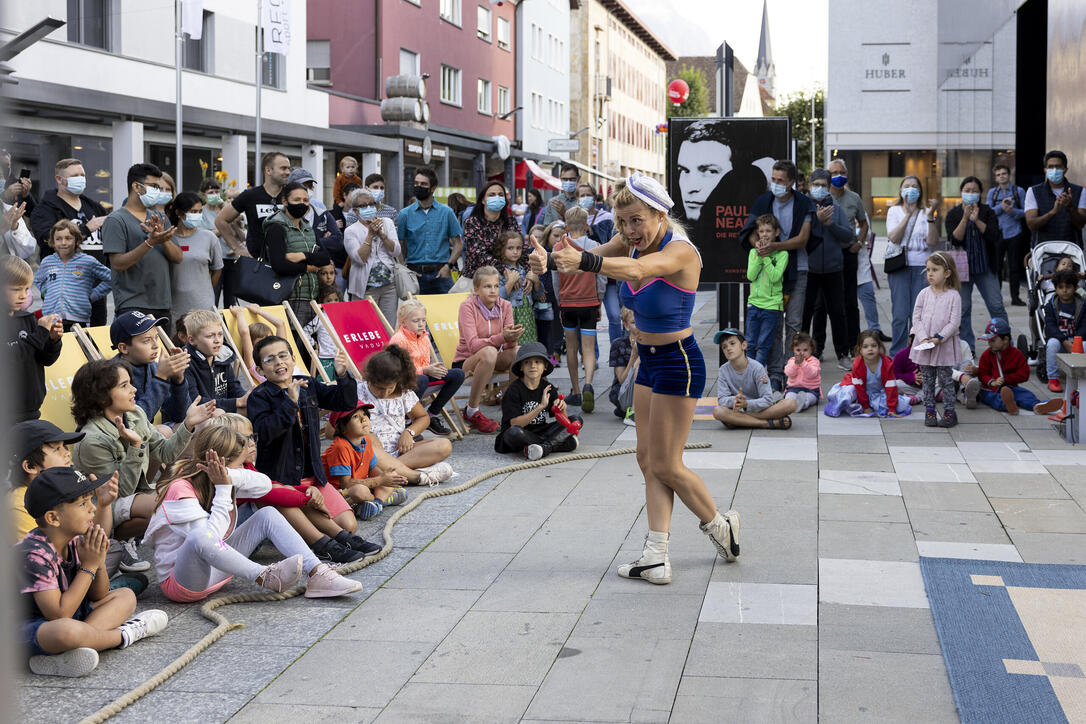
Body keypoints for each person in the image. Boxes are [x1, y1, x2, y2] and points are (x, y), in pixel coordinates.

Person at [530, 172, 742, 586]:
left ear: (660, 213)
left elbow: (635, 269)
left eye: (636, 220)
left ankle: (720, 525)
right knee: (647, 461)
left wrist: (584, 261)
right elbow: (584, 250)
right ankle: (657, 555)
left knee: (667, 463)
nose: (628, 230)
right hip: (650, 360)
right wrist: (551, 256)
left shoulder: (680, 251)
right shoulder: (629, 240)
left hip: (680, 362)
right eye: (622, 221)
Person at [145, 428, 363, 602]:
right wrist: (222, 488)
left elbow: (264, 484)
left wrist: (229, 475)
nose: (243, 470)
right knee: (199, 536)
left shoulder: (225, 478)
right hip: (183, 583)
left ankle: (318, 574)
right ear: (222, 462)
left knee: (267, 513)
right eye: (239, 465)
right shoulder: (180, 489)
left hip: (219, 570)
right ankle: (264, 575)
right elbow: (210, 538)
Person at [17, 467, 167, 678]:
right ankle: (125, 634)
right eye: (82, 503)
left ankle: (72, 650)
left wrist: (98, 562)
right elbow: (59, 614)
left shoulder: (74, 539)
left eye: (90, 500)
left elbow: (100, 595)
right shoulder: (34, 554)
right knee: (66, 632)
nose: (92, 509)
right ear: (53, 518)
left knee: (125, 595)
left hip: (66, 618)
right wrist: (89, 566)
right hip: (24, 629)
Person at [70, 357, 216, 545]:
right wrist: (135, 446)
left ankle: (206, 543)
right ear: (101, 396)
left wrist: (188, 423)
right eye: (124, 386)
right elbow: (119, 493)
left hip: (136, 493)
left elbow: (166, 453)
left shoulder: (134, 413)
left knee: (187, 495)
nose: (134, 390)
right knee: (167, 506)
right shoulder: (92, 440)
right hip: (102, 510)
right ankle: (115, 543)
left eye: (130, 383)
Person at [246, 337, 367, 538]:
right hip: (283, 480)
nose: (279, 363)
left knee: (348, 526)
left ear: (293, 358)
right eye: (270, 359)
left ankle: (304, 520)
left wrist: (343, 375)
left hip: (314, 477)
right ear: (259, 370)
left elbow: (345, 402)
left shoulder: (308, 384)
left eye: (283, 355)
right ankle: (296, 522)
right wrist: (290, 403)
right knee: (322, 530)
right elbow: (265, 433)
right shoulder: (258, 397)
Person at [738, 160, 813, 388]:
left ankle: (792, 371)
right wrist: (760, 247)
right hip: (766, 272)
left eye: (781, 180)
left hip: (796, 269)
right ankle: (775, 373)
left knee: (793, 323)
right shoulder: (764, 200)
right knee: (772, 326)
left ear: (792, 182)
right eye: (774, 179)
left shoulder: (803, 203)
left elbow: (803, 239)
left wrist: (773, 247)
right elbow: (750, 232)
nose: (776, 184)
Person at [102, 163, 181, 331]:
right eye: (153, 186)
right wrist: (149, 243)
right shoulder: (116, 220)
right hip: (133, 304)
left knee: (162, 356)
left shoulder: (159, 217)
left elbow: (178, 257)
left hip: (162, 304)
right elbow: (117, 263)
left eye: (159, 187)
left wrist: (163, 239)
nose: (157, 192)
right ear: (136, 186)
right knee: (138, 356)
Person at [30, 159, 110, 323]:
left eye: (83, 175)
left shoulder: (94, 207)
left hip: (95, 296)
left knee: (94, 341)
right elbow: (48, 239)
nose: (81, 179)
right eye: (75, 175)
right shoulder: (44, 210)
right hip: (64, 301)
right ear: (59, 179)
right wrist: (86, 229)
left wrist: (96, 293)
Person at [356, 346, 455, 473]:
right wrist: (365, 436)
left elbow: (423, 418)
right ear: (368, 379)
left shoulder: (403, 393)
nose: (384, 393)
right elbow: (334, 431)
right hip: (371, 452)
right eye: (379, 388)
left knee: (444, 445)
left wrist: (409, 432)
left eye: (390, 388)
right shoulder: (358, 392)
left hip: (402, 452)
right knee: (366, 446)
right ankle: (406, 473)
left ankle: (389, 472)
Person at [453, 265, 522, 432]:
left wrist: (512, 337)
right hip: (467, 361)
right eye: (487, 286)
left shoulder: (504, 306)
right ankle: (471, 410)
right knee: (490, 351)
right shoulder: (467, 307)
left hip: (494, 358)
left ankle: (510, 409)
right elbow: (473, 345)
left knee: (519, 351)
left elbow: (508, 346)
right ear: (476, 289)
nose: (493, 290)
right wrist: (502, 337)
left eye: (496, 286)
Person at [810, 158, 869, 345]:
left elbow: (864, 222)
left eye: (842, 173)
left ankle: (853, 344)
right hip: (824, 257)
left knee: (850, 302)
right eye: (834, 173)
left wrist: (859, 242)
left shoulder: (854, 198)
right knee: (821, 305)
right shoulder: (822, 198)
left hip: (848, 253)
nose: (839, 176)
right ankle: (817, 345)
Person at [387, 298, 465, 437]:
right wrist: (425, 370)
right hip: (403, 382)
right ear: (403, 322)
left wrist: (433, 368)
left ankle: (430, 415)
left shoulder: (424, 337)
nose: (421, 324)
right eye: (416, 321)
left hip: (422, 377)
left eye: (423, 320)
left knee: (458, 374)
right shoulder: (398, 340)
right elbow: (395, 370)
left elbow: (423, 363)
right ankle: (408, 420)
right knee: (422, 379)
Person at [945, 176, 1005, 354]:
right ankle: (967, 348)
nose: (971, 194)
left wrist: (977, 220)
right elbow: (955, 239)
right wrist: (965, 218)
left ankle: (1003, 343)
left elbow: (994, 236)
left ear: (981, 193)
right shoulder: (953, 214)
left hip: (985, 267)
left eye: (974, 191)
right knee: (963, 309)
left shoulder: (988, 211)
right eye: (967, 190)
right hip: (961, 269)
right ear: (962, 192)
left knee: (996, 306)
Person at [321, 403, 409, 521]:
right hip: (340, 492)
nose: (363, 419)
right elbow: (345, 484)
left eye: (364, 414)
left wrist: (387, 479)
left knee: (388, 477)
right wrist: (380, 481)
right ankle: (380, 501)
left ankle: (376, 503)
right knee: (360, 491)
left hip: (362, 484)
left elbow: (372, 469)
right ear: (343, 427)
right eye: (355, 417)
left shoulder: (365, 441)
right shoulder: (340, 447)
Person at [494, 342, 581, 459]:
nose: (533, 366)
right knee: (514, 433)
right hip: (520, 433)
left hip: (542, 431)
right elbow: (515, 424)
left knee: (576, 420)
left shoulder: (548, 388)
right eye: (527, 362)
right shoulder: (514, 390)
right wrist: (540, 407)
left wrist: (562, 409)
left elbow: (563, 423)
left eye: (537, 362)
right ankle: (557, 443)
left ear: (545, 366)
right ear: (521, 367)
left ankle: (543, 447)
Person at [885, 176, 940, 355]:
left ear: (920, 191)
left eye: (914, 186)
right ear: (901, 191)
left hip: (922, 267)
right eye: (906, 186)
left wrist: (931, 217)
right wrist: (908, 214)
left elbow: (932, 242)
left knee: (919, 314)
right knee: (900, 314)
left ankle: (918, 352)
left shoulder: (926, 212)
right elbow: (894, 237)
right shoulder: (894, 211)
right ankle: (898, 354)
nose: (910, 190)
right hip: (899, 266)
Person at [263, 182, 331, 327]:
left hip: (312, 296)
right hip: (288, 298)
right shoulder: (276, 227)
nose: (302, 204)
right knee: (295, 343)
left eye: (305, 200)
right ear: (284, 201)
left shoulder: (307, 227)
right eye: (297, 200)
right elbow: (280, 265)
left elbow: (325, 257)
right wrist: (308, 268)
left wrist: (302, 256)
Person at [10, 421, 90, 544]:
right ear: (30, 466)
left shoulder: (56, 488)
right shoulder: (19, 505)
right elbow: (42, 553)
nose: (67, 453)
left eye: (64, 446)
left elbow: (91, 534)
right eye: (57, 449)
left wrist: (103, 504)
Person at [110, 311, 190, 433]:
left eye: (156, 338)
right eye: (147, 341)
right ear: (124, 348)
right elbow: (133, 422)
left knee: (194, 425)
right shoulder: (112, 375)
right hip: (120, 438)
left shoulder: (152, 366)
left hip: (145, 434)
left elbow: (179, 416)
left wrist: (178, 381)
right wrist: (161, 378)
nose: (156, 345)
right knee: (164, 431)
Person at [4, 256, 62, 422]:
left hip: (32, 409)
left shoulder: (27, 318)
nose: (23, 295)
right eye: (16, 289)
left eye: (27, 289)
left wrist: (53, 341)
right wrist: (40, 333)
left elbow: (44, 359)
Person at [554, 207, 601, 411]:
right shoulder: (595, 247)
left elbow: (556, 280)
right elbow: (602, 276)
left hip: (568, 304)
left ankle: (576, 391)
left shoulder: (558, 248)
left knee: (571, 348)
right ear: (587, 226)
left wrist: (559, 301)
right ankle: (588, 382)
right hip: (589, 302)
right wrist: (599, 299)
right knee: (588, 348)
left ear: (566, 226)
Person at [909, 252, 963, 428]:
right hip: (925, 345)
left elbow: (954, 322)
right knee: (927, 379)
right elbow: (916, 318)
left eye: (935, 270)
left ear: (947, 273)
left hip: (943, 346)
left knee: (946, 380)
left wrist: (939, 337)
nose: (930, 274)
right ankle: (929, 410)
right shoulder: (923, 294)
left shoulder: (954, 296)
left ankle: (949, 412)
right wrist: (923, 338)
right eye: (928, 270)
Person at [34, 220, 111, 331]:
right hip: (51, 319)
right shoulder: (47, 262)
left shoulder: (87, 261)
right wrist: (47, 292)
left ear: (76, 240)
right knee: (53, 348)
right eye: (58, 239)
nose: (63, 243)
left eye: (68, 238)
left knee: (77, 348)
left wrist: (93, 295)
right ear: (53, 241)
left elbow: (111, 278)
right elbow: (38, 280)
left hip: (78, 320)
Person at [712, 328, 797, 429]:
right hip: (740, 409)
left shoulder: (757, 367)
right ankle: (766, 424)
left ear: (744, 345)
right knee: (718, 412)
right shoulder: (723, 370)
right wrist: (735, 400)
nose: (728, 348)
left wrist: (747, 403)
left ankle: (741, 420)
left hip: (762, 408)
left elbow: (768, 400)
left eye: (732, 343)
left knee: (791, 403)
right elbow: (722, 399)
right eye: (724, 347)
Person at [975, 318, 1063, 416]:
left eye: (993, 340)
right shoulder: (986, 355)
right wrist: (992, 382)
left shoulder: (1016, 354)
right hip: (990, 389)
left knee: (1025, 394)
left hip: (1010, 387)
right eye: (988, 341)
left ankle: (1038, 405)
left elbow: (1024, 374)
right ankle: (1008, 405)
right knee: (991, 398)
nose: (989, 343)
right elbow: (982, 373)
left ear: (1005, 339)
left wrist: (1006, 379)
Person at [398, 168, 463, 295]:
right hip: (415, 275)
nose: (418, 187)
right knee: (416, 314)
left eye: (423, 184)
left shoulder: (447, 212)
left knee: (446, 313)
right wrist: (404, 269)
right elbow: (398, 244)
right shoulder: (404, 214)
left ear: (433, 188)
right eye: (416, 183)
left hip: (441, 274)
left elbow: (458, 243)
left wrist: (448, 266)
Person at [163, 192, 223, 324]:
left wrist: (204, 290)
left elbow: (217, 269)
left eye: (200, 211)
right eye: (193, 211)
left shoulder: (209, 237)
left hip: (204, 305)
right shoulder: (167, 238)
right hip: (175, 306)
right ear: (179, 212)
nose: (197, 215)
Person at [215, 153, 290, 257]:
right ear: (268, 170)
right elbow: (220, 220)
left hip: (288, 261)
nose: (288, 172)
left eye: (288, 168)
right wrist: (237, 248)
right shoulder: (250, 196)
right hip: (257, 264)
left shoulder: (291, 195)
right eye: (283, 168)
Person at [343, 188, 401, 322]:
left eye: (371, 204)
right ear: (356, 211)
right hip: (365, 287)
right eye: (363, 206)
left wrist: (381, 233)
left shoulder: (387, 223)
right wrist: (370, 234)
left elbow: (396, 251)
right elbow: (359, 259)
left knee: (388, 326)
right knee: (367, 326)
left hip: (389, 285)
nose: (368, 208)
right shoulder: (351, 231)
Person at [825, 330, 909, 418]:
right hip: (859, 390)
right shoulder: (858, 365)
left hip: (879, 392)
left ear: (879, 347)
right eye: (865, 346)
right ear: (859, 349)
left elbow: (891, 387)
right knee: (848, 394)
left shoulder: (886, 364)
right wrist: (865, 407)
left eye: (874, 346)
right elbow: (859, 389)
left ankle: (873, 404)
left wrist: (892, 408)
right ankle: (859, 404)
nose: (870, 349)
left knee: (899, 406)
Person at [181, 309, 246, 414]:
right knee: (218, 413)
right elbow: (195, 401)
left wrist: (248, 399)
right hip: (194, 417)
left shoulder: (222, 357)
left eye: (220, 334)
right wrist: (236, 402)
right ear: (192, 340)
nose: (217, 340)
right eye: (209, 336)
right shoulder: (185, 362)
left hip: (221, 412)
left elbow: (235, 389)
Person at [744, 214, 788, 367]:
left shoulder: (782, 254)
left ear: (776, 232)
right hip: (754, 305)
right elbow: (751, 275)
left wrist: (766, 257)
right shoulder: (752, 253)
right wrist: (759, 255)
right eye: (761, 231)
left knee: (763, 346)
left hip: (771, 307)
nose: (764, 234)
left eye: (768, 231)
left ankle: (757, 378)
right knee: (749, 344)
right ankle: (749, 378)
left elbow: (776, 277)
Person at [462, 180, 521, 281]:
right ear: (483, 200)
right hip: (479, 280)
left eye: (501, 194)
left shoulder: (511, 222)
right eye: (492, 195)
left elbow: (521, 248)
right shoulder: (472, 222)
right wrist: (504, 270)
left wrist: (529, 272)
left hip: (510, 277)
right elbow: (478, 254)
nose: (497, 197)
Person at [1025, 150, 1085, 247]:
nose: (1054, 170)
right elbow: (1032, 224)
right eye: (1050, 167)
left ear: (1065, 169)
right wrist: (1053, 212)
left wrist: (1070, 207)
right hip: (1043, 250)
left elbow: (1081, 224)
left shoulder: (1080, 191)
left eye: (1058, 167)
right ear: (1045, 170)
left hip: (1071, 249)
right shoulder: (1033, 191)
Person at [988, 164, 1029, 305]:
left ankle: (1015, 297)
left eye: (1004, 173)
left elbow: (1026, 212)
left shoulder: (1019, 191)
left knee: (1014, 267)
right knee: (997, 267)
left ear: (1009, 174)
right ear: (995, 177)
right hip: (998, 234)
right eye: (998, 174)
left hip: (1015, 233)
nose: (1001, 176)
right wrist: (1001, 207)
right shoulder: (992, 193)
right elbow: (989, 212)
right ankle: (997, 298)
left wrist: (1012, 211)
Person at [1042, 269, 1086, 393]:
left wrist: (1076, 341)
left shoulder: (1081, 305)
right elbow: (1050, 326)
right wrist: (1064, 341)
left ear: (1076, 287)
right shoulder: (1051, 305)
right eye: (1061, 287)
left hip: (1077, 340)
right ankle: (1053, 378)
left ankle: (1081, 375)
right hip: (1059, 340)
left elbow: (1084, 325)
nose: (1065, 290)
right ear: (1055, 288)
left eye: (1068, 287)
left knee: (1085, 346)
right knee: (1051, 345)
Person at [496, 229, 538, 344]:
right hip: (510, 315)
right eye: (510, 248)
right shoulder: (499, 272)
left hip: (527, 315)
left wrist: (536, 281)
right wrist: (510, 282)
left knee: (528, 346)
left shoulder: (525, 269)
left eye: (518, 248)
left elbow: (538, 295)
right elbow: (497, 298)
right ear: (501, 250)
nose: (515, 252)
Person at [303, 285, 342, 380]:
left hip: (341, 357)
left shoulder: (342, 315)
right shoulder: (321, 317)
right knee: (326, 382)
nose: (333, 303)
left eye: (336, 300)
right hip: (326, 357)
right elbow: (305, 331)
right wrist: (313, 343)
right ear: (322, 302)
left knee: (341, 382)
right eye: (329, 300)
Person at [608, 307, 640, 423]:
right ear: (626, 326)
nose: (639, 325)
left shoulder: (653, 341)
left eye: (641, 320)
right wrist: (634, 355)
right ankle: (631, 411)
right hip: (623, 392)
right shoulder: (619, 344)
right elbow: (621, 380)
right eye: (634, 323)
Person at [784, 332, 821, 412]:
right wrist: (796, 364)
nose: (801, 353)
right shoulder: (792, 361)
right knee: (789, 396)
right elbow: (789, 373)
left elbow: (812, 374)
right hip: (793, 388)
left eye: (805, 350)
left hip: (811, 390)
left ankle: (803, 404)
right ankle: (787, 403)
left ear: (811, 350)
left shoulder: (814, 361)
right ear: (793, 350)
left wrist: (803, 363)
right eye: (798, 350)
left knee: (809, 398)